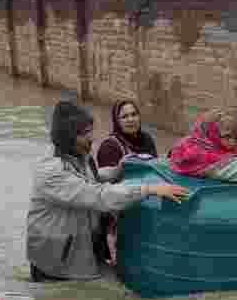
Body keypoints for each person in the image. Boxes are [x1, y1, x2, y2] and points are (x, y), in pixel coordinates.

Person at [27, 101, 190, 282]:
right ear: (69, 137)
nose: (93, 138)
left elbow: (91, 179)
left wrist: (116, 170)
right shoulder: (51, 171)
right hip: (57, 262)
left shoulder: (78, 156)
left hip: (83, 248)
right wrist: (150, 189)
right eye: (86, 133)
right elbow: (98, 195)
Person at [94, 100, 158, 265]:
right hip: (118, 215)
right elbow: (107, 189)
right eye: (124, 116)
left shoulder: (147, 140)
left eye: (134, 114)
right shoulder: (110, 146)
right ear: (117, 120)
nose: (131, 119)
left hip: (145, 204)